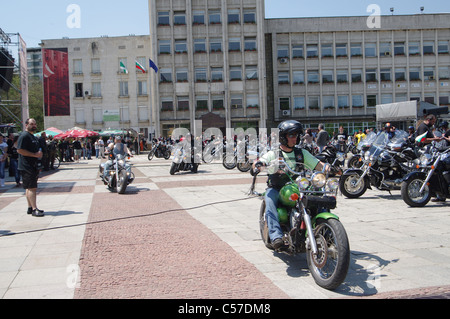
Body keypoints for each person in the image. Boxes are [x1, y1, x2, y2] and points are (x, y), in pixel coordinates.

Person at [252, 120, 329, 250]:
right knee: (269, 200)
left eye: (297, 135)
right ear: (283, 137)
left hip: (298, 187)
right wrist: (258, 166)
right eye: (292, 135)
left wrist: (328, 168)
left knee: (320, 196)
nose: (295, 138)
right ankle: (276, 236)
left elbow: (318, 165)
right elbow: (260, 161)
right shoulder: (274, 153)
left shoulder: (301, 153)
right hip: (277, 188)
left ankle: (325, 230)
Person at [17, 118, 44, 217]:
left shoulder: (32, 136)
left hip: (31, 165)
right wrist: (34, 155)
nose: (34, 125)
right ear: (26, 125)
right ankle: (34, 209)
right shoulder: (24, 136)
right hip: (27, 166)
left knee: (29, 187)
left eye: (35, 124)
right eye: (32, 124)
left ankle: (29, 207)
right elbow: (20, 150)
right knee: (32, 188)